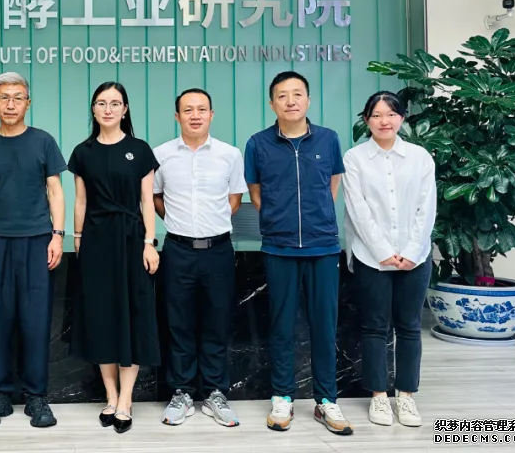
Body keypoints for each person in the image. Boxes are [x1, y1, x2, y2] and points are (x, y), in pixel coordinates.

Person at [244, 71, 353, 436]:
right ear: (272, 103)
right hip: (280, 247)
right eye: (282, 95)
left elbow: (332, 184)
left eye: (297, 94)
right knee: (282, 325)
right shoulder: (258, 143)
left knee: (324, 325)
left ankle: (326, 400)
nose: (290, 101)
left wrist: (315, 218)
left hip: (323, 246)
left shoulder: (328, 138)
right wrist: (280, 220)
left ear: (307, 100)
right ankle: (282, 397)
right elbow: (255, 191)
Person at [0, 71, 67, 429]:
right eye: (4, 97)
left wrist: (57, 235)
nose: (11, 104)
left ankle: (36, 396)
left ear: (28, 103)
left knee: (36, 320)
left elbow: (55, 190)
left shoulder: (43, 141)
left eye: (17, 98)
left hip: (37, 241)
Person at [68, 82, 160, 434]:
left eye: (115, 103)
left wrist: (149, 242)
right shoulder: (83, 152)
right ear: (93, 109)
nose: (108, 109)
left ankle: (126, 399)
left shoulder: (139, 150)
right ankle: (110, 395)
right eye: (101, 103)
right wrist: (78, 239)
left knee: (131, 315)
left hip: (131, 240)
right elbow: (80, 201)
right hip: (95, 241)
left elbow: (147, 201)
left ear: (125, 109)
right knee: (101, 318)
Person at [342, 91, 436, 428]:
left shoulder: (420, 157)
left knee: (409, 326)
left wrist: (411, 251)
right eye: (377, 115)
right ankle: (379, 396)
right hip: (371, 256)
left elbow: (427, 207)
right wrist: (383, 251)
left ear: (402, 118)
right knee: (375, 327)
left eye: (392, 114)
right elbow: (358, 210)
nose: (385, 121)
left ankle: (406, 396)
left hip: (415, 256)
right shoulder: (354, 158)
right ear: (366, 120)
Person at [153, 88, 246, 428]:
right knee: (178, 323)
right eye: (188, 110)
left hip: (218, 250)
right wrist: (180, 224)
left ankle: (215, 393)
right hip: (177, 250)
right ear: (177, 116)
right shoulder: (160, 154)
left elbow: (234, 200)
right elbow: (156, 198)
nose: (195, 115)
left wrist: (209, 225)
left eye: (202, 109)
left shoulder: (230, 154)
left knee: (216, 322)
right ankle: (181, 392)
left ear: (211, 114)